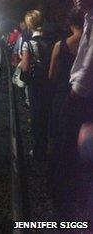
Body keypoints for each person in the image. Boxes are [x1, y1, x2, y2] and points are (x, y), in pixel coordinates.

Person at [54, 0, 93, 218]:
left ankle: (69, 215)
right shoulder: (89, 17)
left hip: (83, 98)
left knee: (68, 154)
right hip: (81, 96)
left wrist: (75, 95)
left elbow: (89, 64)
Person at [49, 8, 83, 151]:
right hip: (85, 97)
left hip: (63, 94)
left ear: (69, 22)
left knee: (61, 135)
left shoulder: (60, 46)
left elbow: (51, 75)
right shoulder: (89, 45)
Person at [20, 10, 53, 160]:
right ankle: (48, 145)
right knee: (46, 115)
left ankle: (39, 151)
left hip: (35, 85)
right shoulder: (52, 42)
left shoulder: (29, 44)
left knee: (36, 116)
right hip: (49, 83)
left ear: (29, 25)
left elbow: (25, 69)